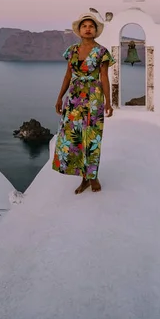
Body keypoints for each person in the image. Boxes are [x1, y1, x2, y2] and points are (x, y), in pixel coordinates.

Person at [53, 13, 115, 194]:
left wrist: (108, 102)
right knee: (75, 137)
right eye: (84, 26)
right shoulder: (72, 50)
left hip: (94, 98)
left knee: (92, 138)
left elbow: (104, 77)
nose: (88, 29)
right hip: (74, 98)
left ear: (96, 31)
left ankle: (92, 177)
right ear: (79, 31)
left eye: (91, 26)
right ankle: (84, 178)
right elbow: (67, 75)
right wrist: (59, 97)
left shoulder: (102, 52)